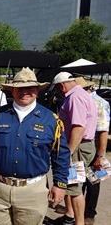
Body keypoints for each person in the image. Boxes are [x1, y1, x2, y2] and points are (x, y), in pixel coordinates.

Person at [0, 68, 70, 225]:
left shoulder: (51, 120)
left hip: (32, 192)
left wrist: (60, 184)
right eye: (20, 88)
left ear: (37, 90)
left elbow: (61, 154)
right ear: (12, 90)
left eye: (30, 88)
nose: (25, 92)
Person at [53, 72, 97, 225]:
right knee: (73, 186)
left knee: (74, 188)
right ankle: (72, 217)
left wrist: (69, 152)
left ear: (61, 85)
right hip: (81, 145)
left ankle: (78, 222)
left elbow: (78, 126)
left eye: (58, 89)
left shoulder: (75, 97)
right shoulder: (80, 94)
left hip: (77, 147)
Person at [74, 77, 109, 225]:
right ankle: (77, 211)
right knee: (78, 179)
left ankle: (89, 213)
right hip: (83, 144)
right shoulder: (82, 100)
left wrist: (100, 155)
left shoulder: (99, 103)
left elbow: (103, 131)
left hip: (92, 145)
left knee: (92, 181)